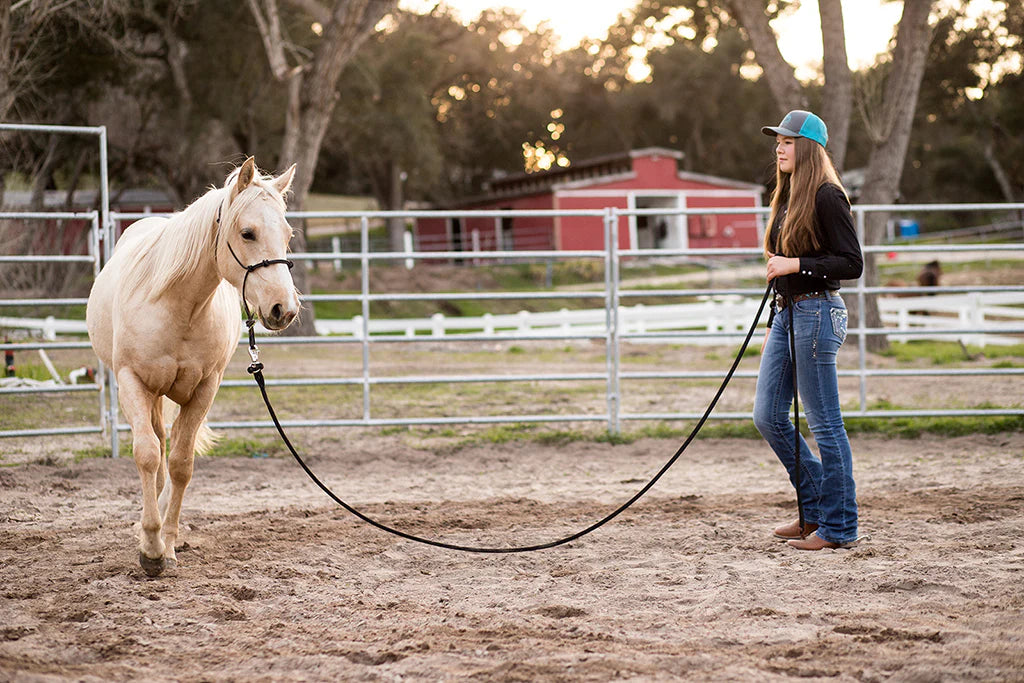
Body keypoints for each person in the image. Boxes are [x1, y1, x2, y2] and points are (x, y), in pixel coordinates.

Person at [753, 110, 863, 550]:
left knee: (825, 423)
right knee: (767, 415)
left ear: (808, 148)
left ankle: (839, 528)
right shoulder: (788, 197)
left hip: (818, 315)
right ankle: (815, 508)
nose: (779, 148)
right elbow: (783, 271)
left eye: (787, 141)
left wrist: (796, 264)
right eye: (777, 141)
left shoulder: (826, 196)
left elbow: (851, 263)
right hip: (788, 314)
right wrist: (773, 321)